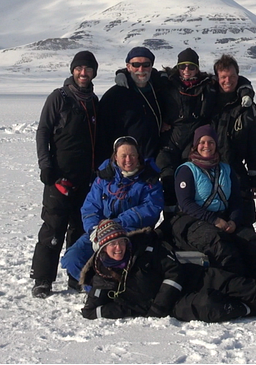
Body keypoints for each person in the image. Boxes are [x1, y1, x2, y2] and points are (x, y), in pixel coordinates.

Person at [80, 219, 256, 321]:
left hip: (192, 279)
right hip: (177, 306)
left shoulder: (145, 248)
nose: (119, 248)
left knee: (238, 285)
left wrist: (158, 303)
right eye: (112, 245)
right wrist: (129, 309)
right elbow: (91, 311)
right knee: (210, 306)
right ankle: (248, 309)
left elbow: (173, 270)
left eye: (121, 241)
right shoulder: (103, 277)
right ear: (102, 250)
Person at [30, 50, 99, 298]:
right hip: (59, 178)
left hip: (86, 180)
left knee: (80, 230)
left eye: (88, 69)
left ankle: (75, 275)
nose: (83, 73)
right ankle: (42, 279)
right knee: (53, 229)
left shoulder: (93, 101)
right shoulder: (58, 98)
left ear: (93, 73)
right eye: (79, 68)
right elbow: (43, 132)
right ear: (72, 71)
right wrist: (45, 166)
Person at [167, 124, 256, 281]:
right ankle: (236, 287)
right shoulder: (187, 170)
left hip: (224, 218)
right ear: (196, 145)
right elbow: (185, 203)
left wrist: (234, 221)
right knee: (221, 246)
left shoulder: (226, 169)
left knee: (252, 242)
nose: (206, 146)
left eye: (210, 142)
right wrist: (214, 220)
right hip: (194, 220)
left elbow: (236, 200)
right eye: (202, 142)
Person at [60, 136, 163, 283]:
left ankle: (123, 290)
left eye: (132, 155)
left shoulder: (149, 178)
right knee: (72, 259)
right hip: (101, 232)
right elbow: (90, 206)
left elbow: (152, 208)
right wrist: (94, 230)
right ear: (115, 157)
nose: (128, 160)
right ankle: (95, 288)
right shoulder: (104, 177)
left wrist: (115, 225)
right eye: (123, 156)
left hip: (132, 232)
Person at [155, 48, 218, 219]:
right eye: (183, 67)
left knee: (189, 182)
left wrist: (245, 88)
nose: (186, 71)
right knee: (167, 179)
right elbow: (139, 77)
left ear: (197, 68)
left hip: (192, 143)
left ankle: (189, 221)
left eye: (191, 67)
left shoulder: (208, 85)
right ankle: (169, 221)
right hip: (169, 140)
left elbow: (233, 80)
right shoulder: (166, 82)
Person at [211, 54, 256, 226]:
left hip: (235, 169)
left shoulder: (247, 109)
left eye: (232, 77)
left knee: (242, 218)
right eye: (223, 77)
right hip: (207, 170)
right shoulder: (206, 100)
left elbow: (254, 145)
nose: (228, 81)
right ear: (217, 78)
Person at [94, 47, 165, 164]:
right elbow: (102, 135)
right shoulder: (114, 96)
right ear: (128, 67)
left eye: (146, 64)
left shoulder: (158, 89)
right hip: (125, 163)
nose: (141, 69)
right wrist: (105, 164)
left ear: (151, 66)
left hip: (153, 160)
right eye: (136, 65)